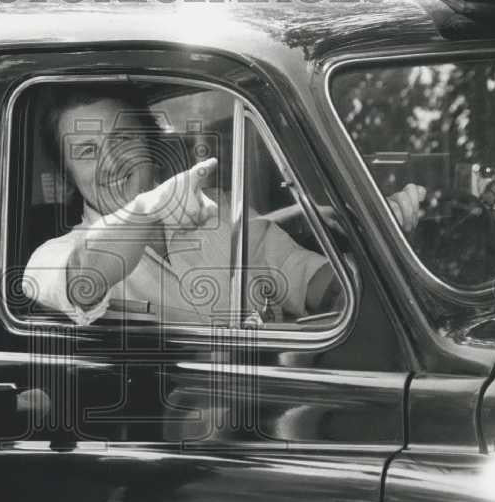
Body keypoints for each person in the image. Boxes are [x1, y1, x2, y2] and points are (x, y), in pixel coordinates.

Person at [23, 86, 426, 325]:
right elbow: (84, 276)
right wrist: (153, 209)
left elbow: (310, 280)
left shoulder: (221, 211)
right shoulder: (51, 256)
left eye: (124, 139)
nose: (112, 162)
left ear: (149, 144)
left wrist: (382, 248)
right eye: (88, 150)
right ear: (66, 176)